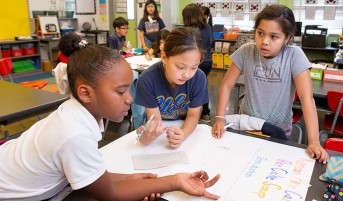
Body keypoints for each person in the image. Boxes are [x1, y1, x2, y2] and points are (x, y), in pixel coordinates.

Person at [0, 43, 221, 200]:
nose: (130, 99)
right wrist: (175, 180)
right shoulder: (74, 134)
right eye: (120, 91)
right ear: (86, 93)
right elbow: (110, 194)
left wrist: (130, 179)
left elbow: (86, 174)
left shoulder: (76, 114)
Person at [211, 4, 329, 164]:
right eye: (260, 33)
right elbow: (226, 86)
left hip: (278, 133)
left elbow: (306, 98)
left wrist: (314, 141)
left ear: (287, 38)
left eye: (274, 37)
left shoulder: (294, 56)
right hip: (248, 126)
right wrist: (219, 117)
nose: (264, 41)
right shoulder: (246, 51)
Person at [135, 27, 209, 148]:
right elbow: (155, 120)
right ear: (164, 57)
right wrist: (147, 137)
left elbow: (193, 115)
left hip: (186, 126)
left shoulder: (199, 78)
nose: (187, 74)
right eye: (180, 67)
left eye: (194, 67)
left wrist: (183, 134)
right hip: (161, 128)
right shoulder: (147, 79)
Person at [182, 3, 213, 123]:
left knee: (191, 88)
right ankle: (205, 113)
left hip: (196, 62)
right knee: (202, 85)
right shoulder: (207, 26)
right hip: (208, 61)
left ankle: (191, 114)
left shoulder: (191, 30)